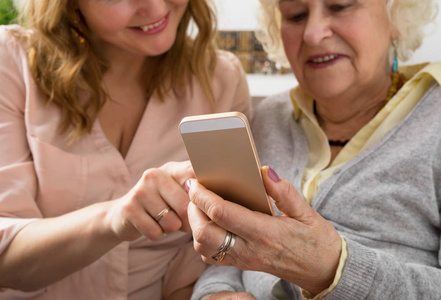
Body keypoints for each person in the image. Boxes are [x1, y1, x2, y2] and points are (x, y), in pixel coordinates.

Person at [186, 0, 441, 299]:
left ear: (396, 16)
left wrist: (332, 268)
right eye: (295, 15)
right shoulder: (269, 117)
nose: (312, 34)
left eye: (340, 6)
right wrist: (215, 292)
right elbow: (232, 249)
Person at [0, 0, 252, 299]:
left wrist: (214, 294)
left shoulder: (222, 79)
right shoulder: (11, 61)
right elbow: (6, 259)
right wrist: (115, 218)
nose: (156, 8)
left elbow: (201, 257)